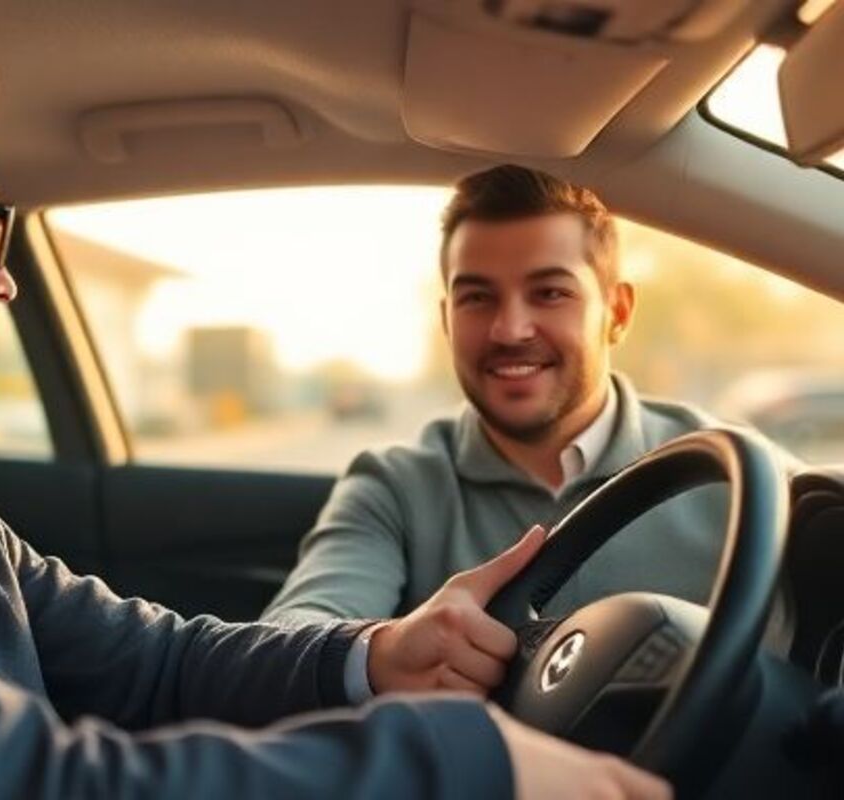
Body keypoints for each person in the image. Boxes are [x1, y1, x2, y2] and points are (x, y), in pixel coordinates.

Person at [0, 29, 669, 800]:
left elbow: (157, 663)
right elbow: (31, 783)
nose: (2, 287)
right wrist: (461, 756)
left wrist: (374, 655)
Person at [264, 165, 744, 700]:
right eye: (477, 298)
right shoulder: (395, 484)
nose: (510, 329)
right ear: (447, 320)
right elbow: (285, 640)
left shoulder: (735, 474)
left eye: (549, 293)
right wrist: (386, 648)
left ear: (618, 311)